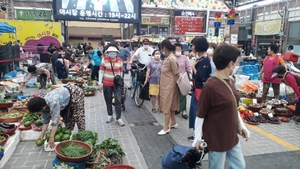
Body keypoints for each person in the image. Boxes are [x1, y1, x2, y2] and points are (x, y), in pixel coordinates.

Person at [193, 44, 250, 169]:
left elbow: (233, 107)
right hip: (216, 138)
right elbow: (200, 114)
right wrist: (196, 138)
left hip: (231, 136)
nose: (237, 65)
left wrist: (242, 127)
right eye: (236, 62)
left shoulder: (230, 81)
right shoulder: (210, 86)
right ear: (230, 64)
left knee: (239, 166)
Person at [27, 83, 86, 148]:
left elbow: (55, 122)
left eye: (37, 112)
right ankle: (69, 134)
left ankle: (83, 136)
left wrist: (51, 138)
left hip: (75, 92)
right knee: (68, 117)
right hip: (64, 98)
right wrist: (41, 135)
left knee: (78, 115)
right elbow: (45, 121)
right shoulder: (43, 104)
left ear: (42, 108)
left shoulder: (53, 103)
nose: (37, 113)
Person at [188, 37, 211, 142]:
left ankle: (200, 134)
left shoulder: (204, 60)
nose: (192, 47)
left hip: (200, 90)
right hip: (197, 89)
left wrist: (193, 67)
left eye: (193, 45)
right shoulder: (201, 59)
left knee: (198, 111)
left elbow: (201, 77)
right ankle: (197, 133)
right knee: (195, 110)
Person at [98, 44, 125, 126]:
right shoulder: (104, 60)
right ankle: (110, 115)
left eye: (114, 52)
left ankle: (118, 118)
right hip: (106, 83)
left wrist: (121, 81)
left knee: (118, 100)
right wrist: (100, 83)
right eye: (110, 52)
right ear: (108, 53)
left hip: (117, 84)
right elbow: (101, 71)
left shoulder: (120, 60)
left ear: (117, 53)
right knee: (108, 100)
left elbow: (121, 72)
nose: (112, 53)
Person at [158, 39, 180, 135]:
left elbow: (176, 73)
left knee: (166, 105)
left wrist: (174, 85)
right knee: (170, 105)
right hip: (167, 85)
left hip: (169, 86)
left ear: (164, 48)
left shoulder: (171, 59)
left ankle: (166, 127)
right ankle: (173, 122)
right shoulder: (168, 57)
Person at [174, 43, 192, 119]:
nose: (178, 51)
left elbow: (188, 67)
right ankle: (177, 108)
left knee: (183, 94)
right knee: (175, 94)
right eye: (176, 49)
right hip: (174, 78)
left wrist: (191, 73)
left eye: (179, 49)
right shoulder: (172, 57)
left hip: (182, 77)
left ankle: (184, 111)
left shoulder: (184, 57)